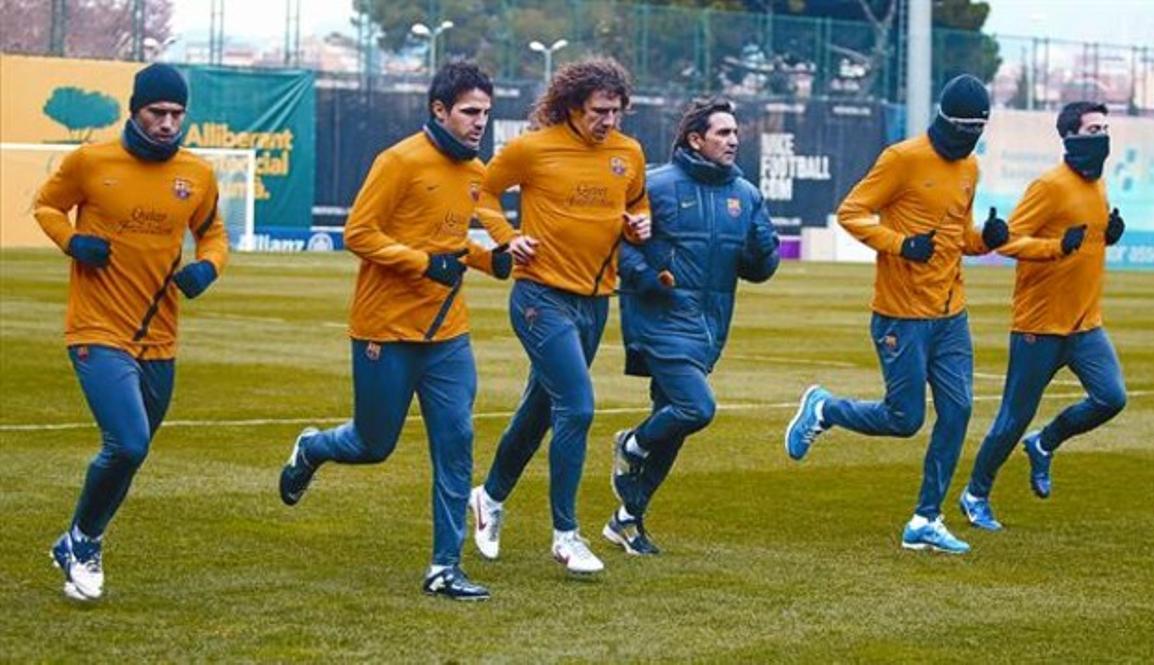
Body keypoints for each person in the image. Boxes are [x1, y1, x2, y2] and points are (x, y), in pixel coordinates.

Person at [277, 62, 515, 601]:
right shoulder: (400, 160)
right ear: (439, 110)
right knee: (372, 443)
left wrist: (490, 261)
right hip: (384, 328)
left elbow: (452, 245)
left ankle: (444, 566)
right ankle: (313, 449)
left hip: (448, 335)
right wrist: (421, 263)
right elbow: (358, 233)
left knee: (456, 443)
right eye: (470, 112)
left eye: (486, 113)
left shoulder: (477, 173)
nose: (481, 122)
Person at [783, 75, 1010, 554]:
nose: (970, 137)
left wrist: (987, 239)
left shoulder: (970, 166)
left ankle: (926, 518)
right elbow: (851, 212)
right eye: (964, 127)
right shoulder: (902, 159)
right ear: (945, 120)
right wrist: (901, 244)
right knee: (904, 418)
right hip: (901, 314)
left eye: (978, 129)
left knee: (959, 410)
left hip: (952, 314)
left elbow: (958, 235)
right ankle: (825, 407)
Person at [35, 63, 229, 601]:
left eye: (176, 114)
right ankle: (87, 542)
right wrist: (73, 242)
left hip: (159, 335)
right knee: (128, 441)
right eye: (157, 113)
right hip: (96, 328)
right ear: (135, 110)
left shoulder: (197, 175)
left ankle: (76, 538)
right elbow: (46, 206)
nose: (168, 124)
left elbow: (213, 234)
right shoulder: (91, 162)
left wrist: (207, 268)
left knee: (134, 453)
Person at [467, 57, 652, 575]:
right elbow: (481, 193)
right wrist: (507, 238)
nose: (609, 120)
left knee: (542, 410)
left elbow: (639, 207)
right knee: (577, 407)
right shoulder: (533, 147)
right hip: (539, 297)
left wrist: (639, 226)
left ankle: (490, 497)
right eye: (599, 111)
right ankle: (567, 535)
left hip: (595, 301)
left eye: (616, 111)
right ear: (573, 107)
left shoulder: (629, 153)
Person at [606, 98, 779, 555]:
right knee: (697, 408)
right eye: (722, 132)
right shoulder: (656, 186)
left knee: (676, 426)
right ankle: (631, 443)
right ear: (694, 139)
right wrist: (649, 279)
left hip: (708, 331)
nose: (734, 139)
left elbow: (760, 270)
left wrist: (765, 250)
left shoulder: (746, 194)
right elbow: (617, 245)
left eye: (735, 132)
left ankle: (626, 521)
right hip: (660, 321)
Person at [959, 101, 1127, 531]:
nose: (1102, 135)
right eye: (1094, 128)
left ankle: (1045, 443)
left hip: (1086, 325)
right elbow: (1008, 241)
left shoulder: (1099, 185)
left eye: (1106, 127)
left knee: (1112, 398)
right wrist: (1055, 248)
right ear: (1070, 135)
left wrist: (1105, 237)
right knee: (1012, 418)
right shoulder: (1049, 186)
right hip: (1039, 326)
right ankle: (975, 493)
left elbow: (1082, 243)